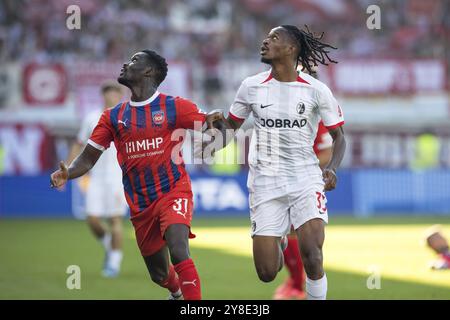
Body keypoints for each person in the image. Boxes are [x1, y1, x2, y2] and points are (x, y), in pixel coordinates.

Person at [51, 50, 221, 300]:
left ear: (148, 71)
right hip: (141, 204)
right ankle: (176, 293)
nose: (125, 64)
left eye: (133, 61)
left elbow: (212, 125)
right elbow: (88, 157)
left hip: (174, 190)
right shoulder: (112, 117)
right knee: (159, 274)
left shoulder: (174, 106)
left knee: (178, 246)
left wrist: (214, 122)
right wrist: (69, 172)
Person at [208, 25, 346, 300]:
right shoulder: (251, 86)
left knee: (312, 254)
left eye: (274, 38)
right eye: (266, 37)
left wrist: (331, 168)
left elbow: (339, 137)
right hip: (265, 181)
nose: (265, 41)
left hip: (305, 177)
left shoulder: (317, 90)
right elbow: (229, 130)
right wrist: (212, 125)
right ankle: (279, 235)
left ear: (291, 48)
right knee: (266, 272)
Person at [67, 81, 127, 278]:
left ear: (120, 95)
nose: (112, 96)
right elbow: (79, 144)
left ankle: (114, 263)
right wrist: (68, 169)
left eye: (115, 92)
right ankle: (110, 247)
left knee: (115, 219)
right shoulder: (92, 118)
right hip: (96, 176)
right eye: (108, 92)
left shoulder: (126, 117)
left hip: (118, 177)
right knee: (92, 219)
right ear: (103, 95)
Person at [274, 121, 332, 299]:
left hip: (305, 185)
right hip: (278, 182)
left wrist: (300, 166)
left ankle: (298, 284)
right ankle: (295, 281)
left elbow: (327, 153)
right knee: (281, 233)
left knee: (298, 233)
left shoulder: (316, 119)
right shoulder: (277, 115)